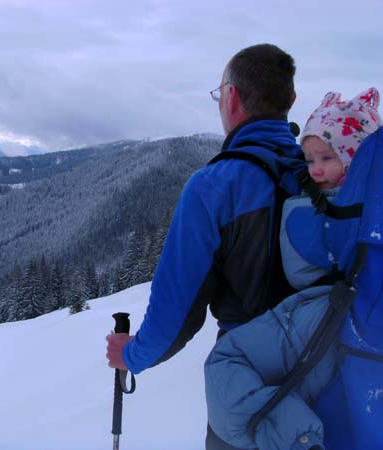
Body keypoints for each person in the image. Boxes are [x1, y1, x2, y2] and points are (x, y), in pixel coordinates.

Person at [105, 43, 305, 450]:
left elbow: (175, 317)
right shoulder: (321, 174)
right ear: (291, 100)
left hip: (245, 383)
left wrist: (131, 356)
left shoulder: (215, 186)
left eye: (219, 94)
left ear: (231, 96)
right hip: (323, 373)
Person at [204, 88, 382, 450]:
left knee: (225, 366)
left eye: (327, 158)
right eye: (309, 159)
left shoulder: (335, 219)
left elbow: (300, 269)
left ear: (356, 159)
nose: (315, 170)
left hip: (322, 321)